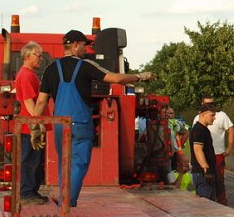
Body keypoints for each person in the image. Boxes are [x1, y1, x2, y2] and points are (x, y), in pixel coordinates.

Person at [33, 29, 153, 207]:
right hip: (79, 123)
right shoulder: (86, 65)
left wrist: (36, 125)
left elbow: (41, 101)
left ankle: (64, 197)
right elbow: (116, 79)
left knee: (63, 163)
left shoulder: (50, 69)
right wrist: (139, 77)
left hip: (59, 124)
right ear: (75, 45)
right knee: (79, 163)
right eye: (83, 45)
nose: (86, 49)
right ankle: (67, 200)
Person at [16, 41, 49, 204]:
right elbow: (29, 102)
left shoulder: (28, 74)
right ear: (28, 56)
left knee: (34, 159)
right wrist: (35, 125)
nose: (41, 58)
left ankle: (31, 191)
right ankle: (26, 193)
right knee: (30, 159)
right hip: (30, 127)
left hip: (31, 125)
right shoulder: (27, 75)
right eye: (38, 55)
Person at [193, 94, 234, 205]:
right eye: (208, 104)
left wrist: (229, 148)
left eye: (212, 103)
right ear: (202, 105)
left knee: (219, 181)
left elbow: (231, 130)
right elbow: (197, 149)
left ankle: (221, 203)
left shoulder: (221, 116)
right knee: (206, 195)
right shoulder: (198, 125)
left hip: (218, 153)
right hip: (204, 162)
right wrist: (205, 167)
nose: (214, 117)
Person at [190, 103, 217, 200]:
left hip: (202, 173)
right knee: (207, 205)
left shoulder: (204, 129)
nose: (214, 118)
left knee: (207, 203)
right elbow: (197, 149)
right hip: (202, 173)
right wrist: (206, 169)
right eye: (212, 115)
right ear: (202, 115)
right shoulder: (199, 130)